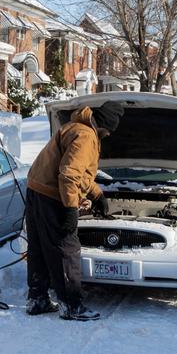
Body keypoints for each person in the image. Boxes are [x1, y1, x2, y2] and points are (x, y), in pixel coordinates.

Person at [25, 102, 124, 321]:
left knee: (39, 247)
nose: (108, 135)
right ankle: (71, 305)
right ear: (105, 125)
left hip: (36, 190)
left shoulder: (74, 126)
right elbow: (69, 175)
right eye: (109, 131)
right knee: (66, 248)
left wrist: (96, 195)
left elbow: (79, 174)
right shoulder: (87, 136)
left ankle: (38, 298)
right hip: (52, 196)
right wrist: (71, 209)